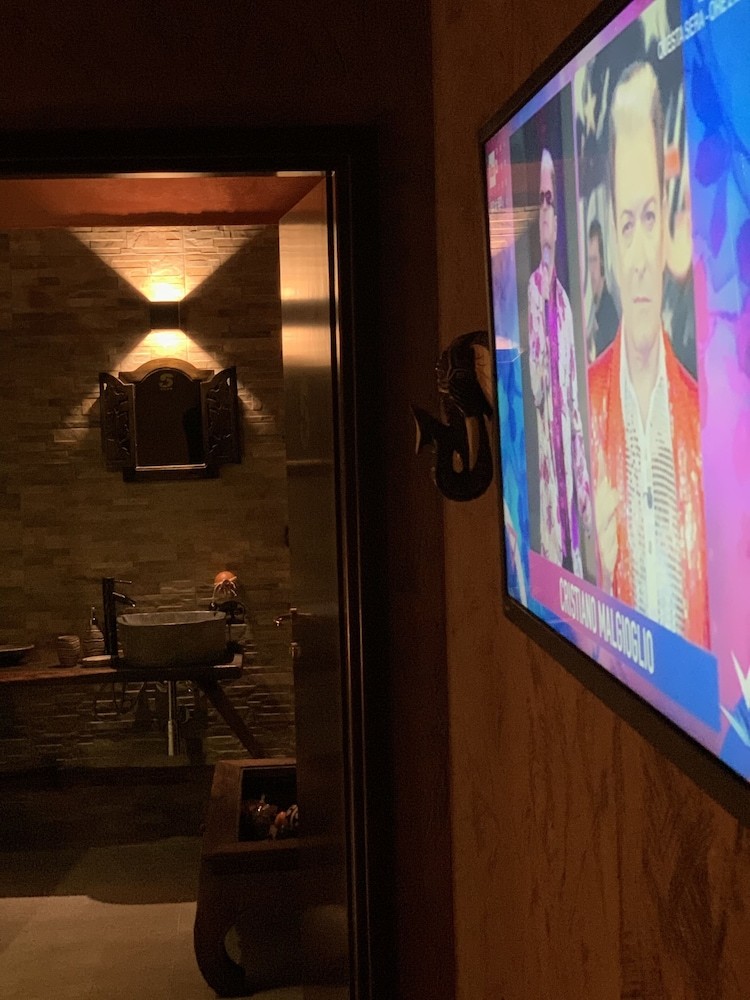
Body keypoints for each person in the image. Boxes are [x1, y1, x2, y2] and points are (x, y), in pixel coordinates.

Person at [587, 61, 709, 647]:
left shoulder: (709, 418)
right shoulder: (582, 411)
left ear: (668, 224)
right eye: (626, 223)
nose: (638, 258)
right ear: (611, 233)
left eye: (650, 216)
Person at [528, 148, 593, 576]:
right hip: (548, 469)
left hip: (569, 462)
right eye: (542, 203)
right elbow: (538, 387)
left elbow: (570, 404)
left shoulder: (566, 305)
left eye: (551, 203)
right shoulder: (535, 291)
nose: (546, 215)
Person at [586, 218, 619, 359]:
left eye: (593, 260)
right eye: (587, 262)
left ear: (602, 263)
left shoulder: (609, 317)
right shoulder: (591, 312)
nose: (590, 270)